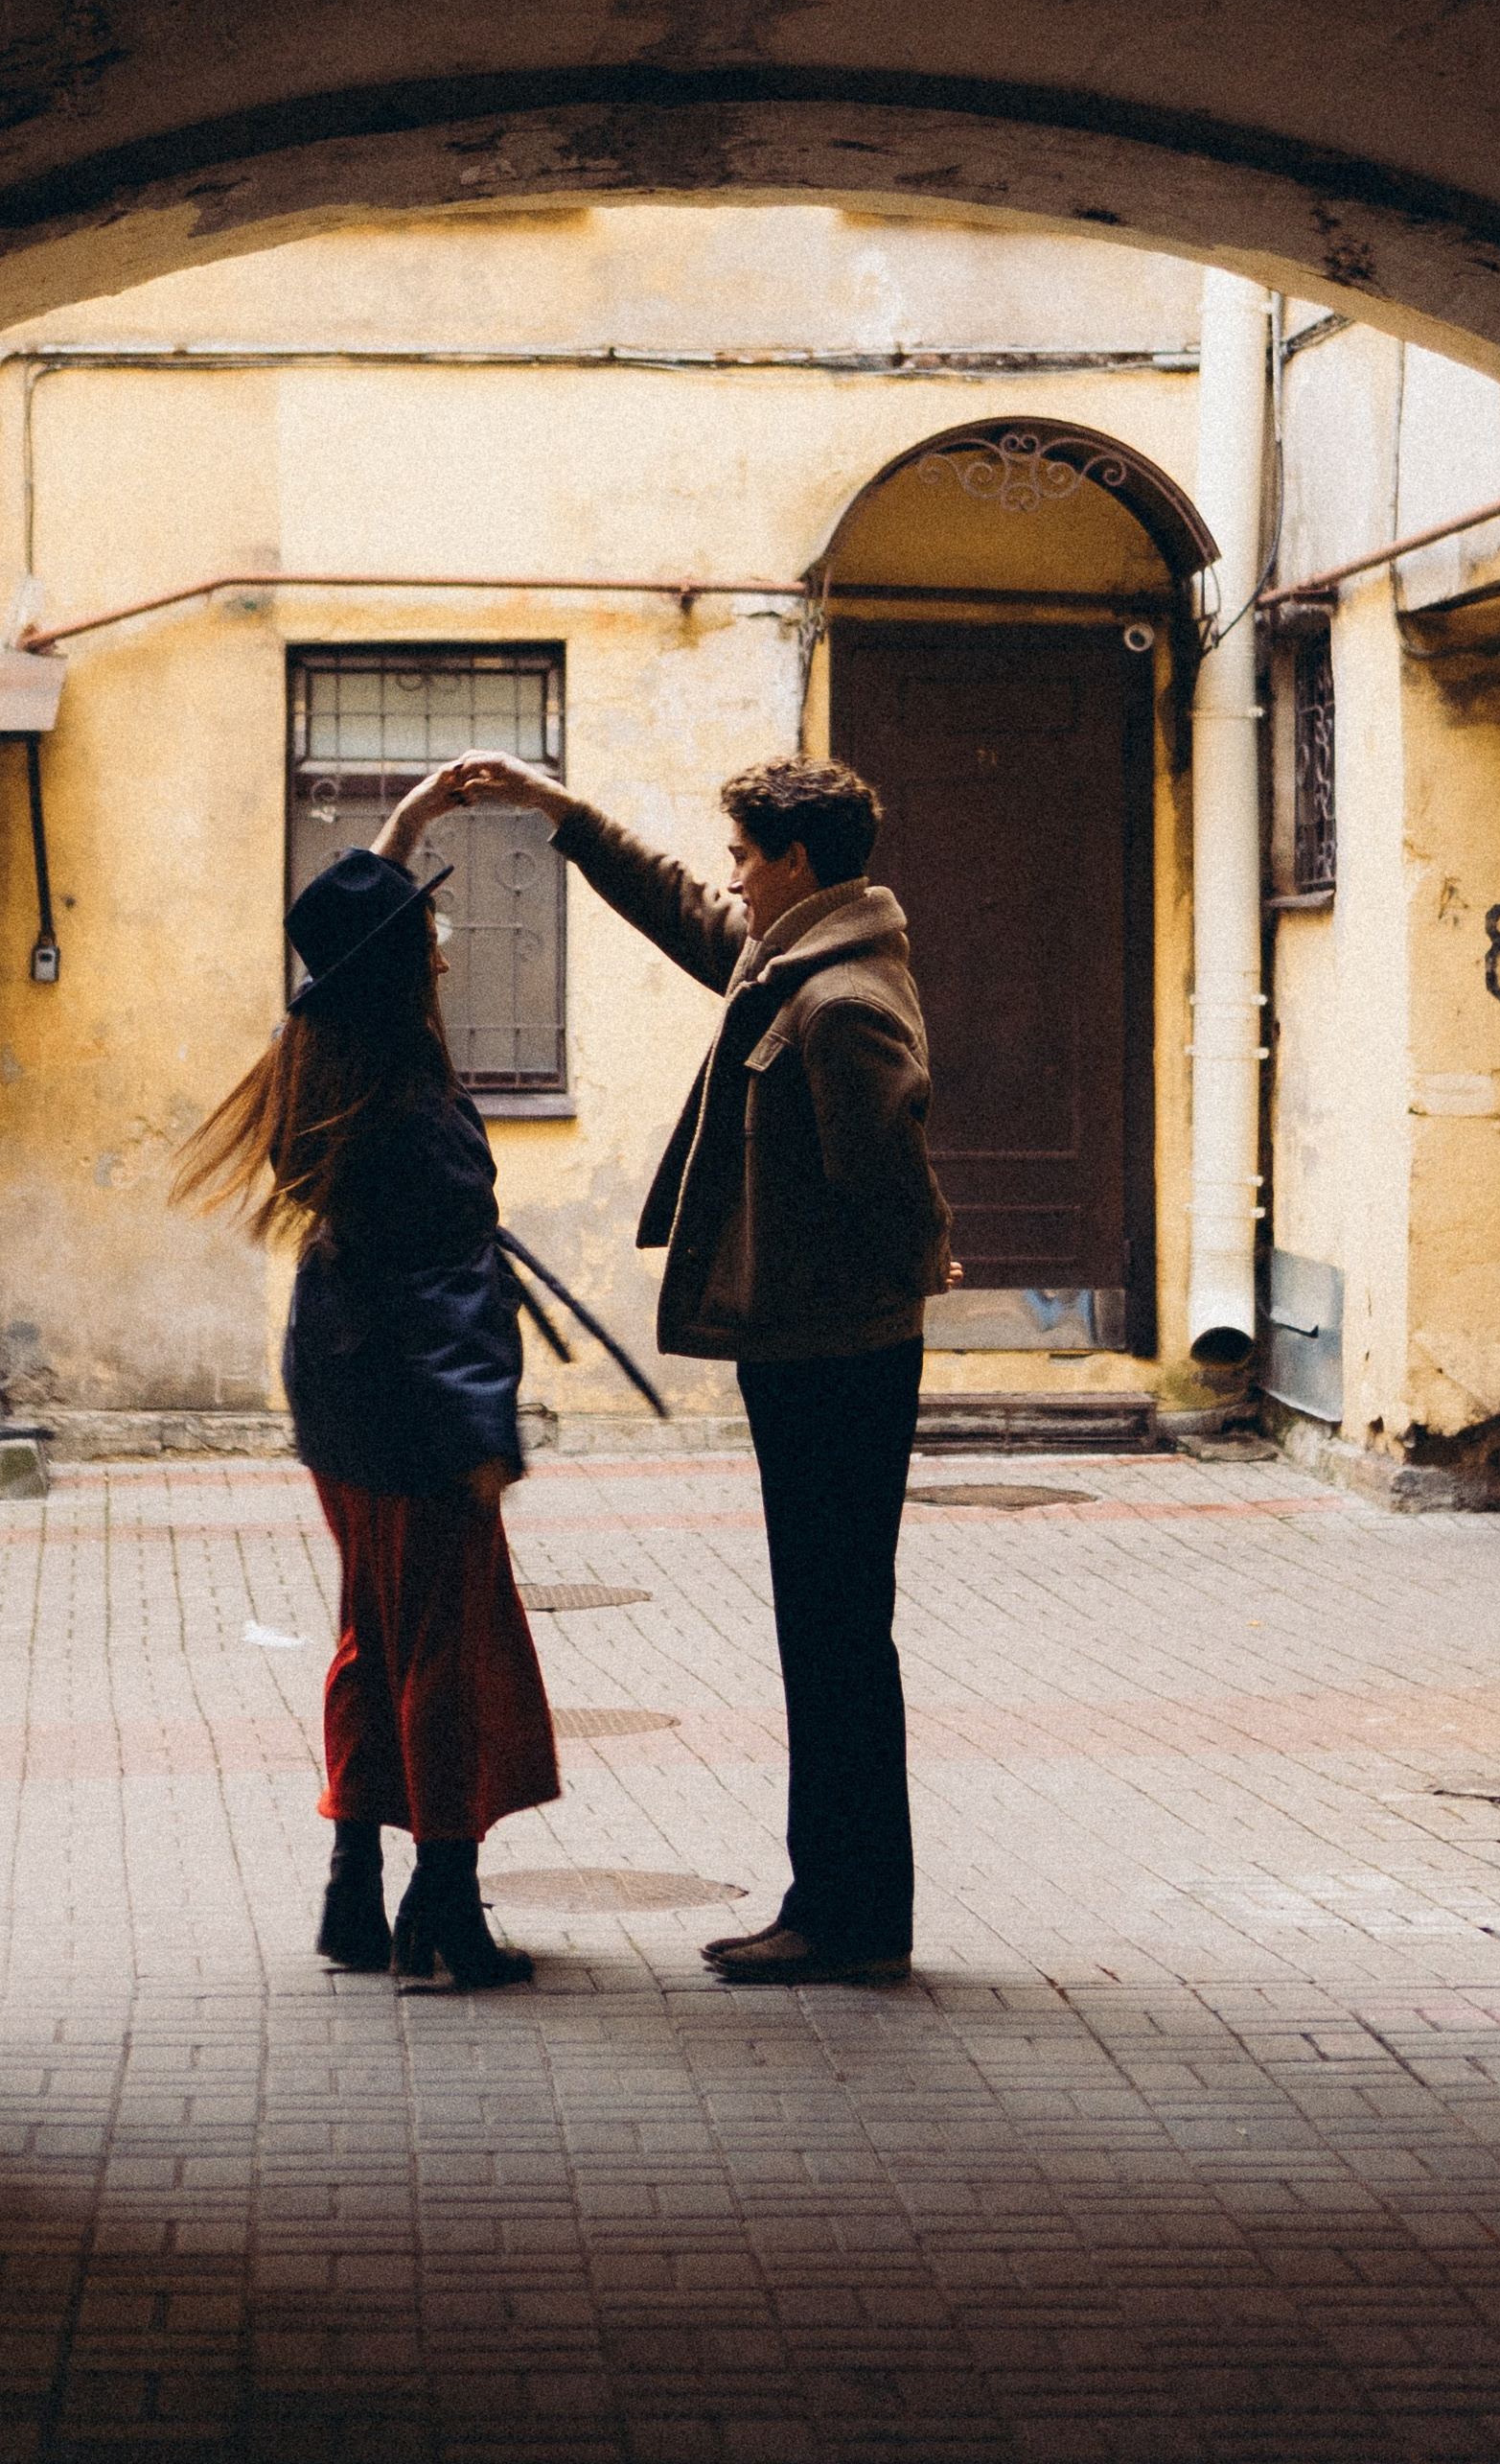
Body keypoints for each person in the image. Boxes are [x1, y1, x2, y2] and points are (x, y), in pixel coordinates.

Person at [454, 746, 952, 1987]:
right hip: (819, 1349)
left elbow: (889, 1174)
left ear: (792, 860)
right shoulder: (803, 954)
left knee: (835, 1639)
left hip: (836, 1362)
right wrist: (564, 814)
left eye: (742, 858)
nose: (728, 881)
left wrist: (907, 1269)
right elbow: (681, 908)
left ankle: (845, 1917)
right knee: (831, 1634)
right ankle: (840, 1904)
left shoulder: (841, 1002)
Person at [173, 764, 557, 1990]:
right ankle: (443, 1912)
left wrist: (415, 817)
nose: (441, 953)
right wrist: (480, 1438)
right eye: (427, 942)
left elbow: (356, 914)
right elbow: (452, 1299)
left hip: (338, 1401)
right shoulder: (419, 1112)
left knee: (368, 1638)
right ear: (402, 974)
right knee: (445, 1650)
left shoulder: (319, 1073)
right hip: (414, 1417)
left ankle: (352, 1890)